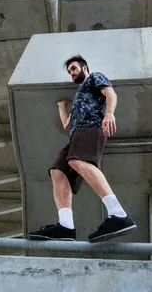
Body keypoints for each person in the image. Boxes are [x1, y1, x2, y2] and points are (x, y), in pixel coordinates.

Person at [28, 55, 136, 243]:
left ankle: (118, 214)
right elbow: (66, 123)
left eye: (74, 69)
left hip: (92, 126)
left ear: (84, 68)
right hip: (75, 134)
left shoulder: (94, 77)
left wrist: (109, 114)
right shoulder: (79, 97)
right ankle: (66, 226)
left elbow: (111, 93)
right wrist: (62, 106)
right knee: (58, 171)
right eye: (69, 72)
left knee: (77, 161)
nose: (71, 73)